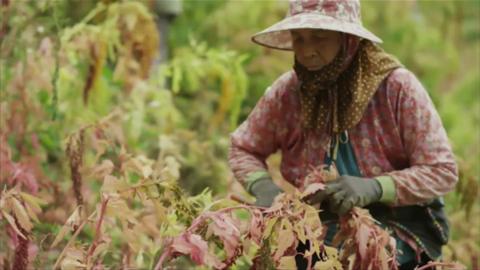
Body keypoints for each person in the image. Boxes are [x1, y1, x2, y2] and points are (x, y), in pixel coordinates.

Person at [228, 0, 458, 269]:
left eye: (320, 37)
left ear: (348, 39)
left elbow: (442, 171)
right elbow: (243, 147)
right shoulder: (289, 92)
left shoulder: (396, 88)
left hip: (398, 228)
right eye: (299, 39)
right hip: (317, 229)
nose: (307, 51)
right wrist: (262, 186)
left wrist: (375, 187)